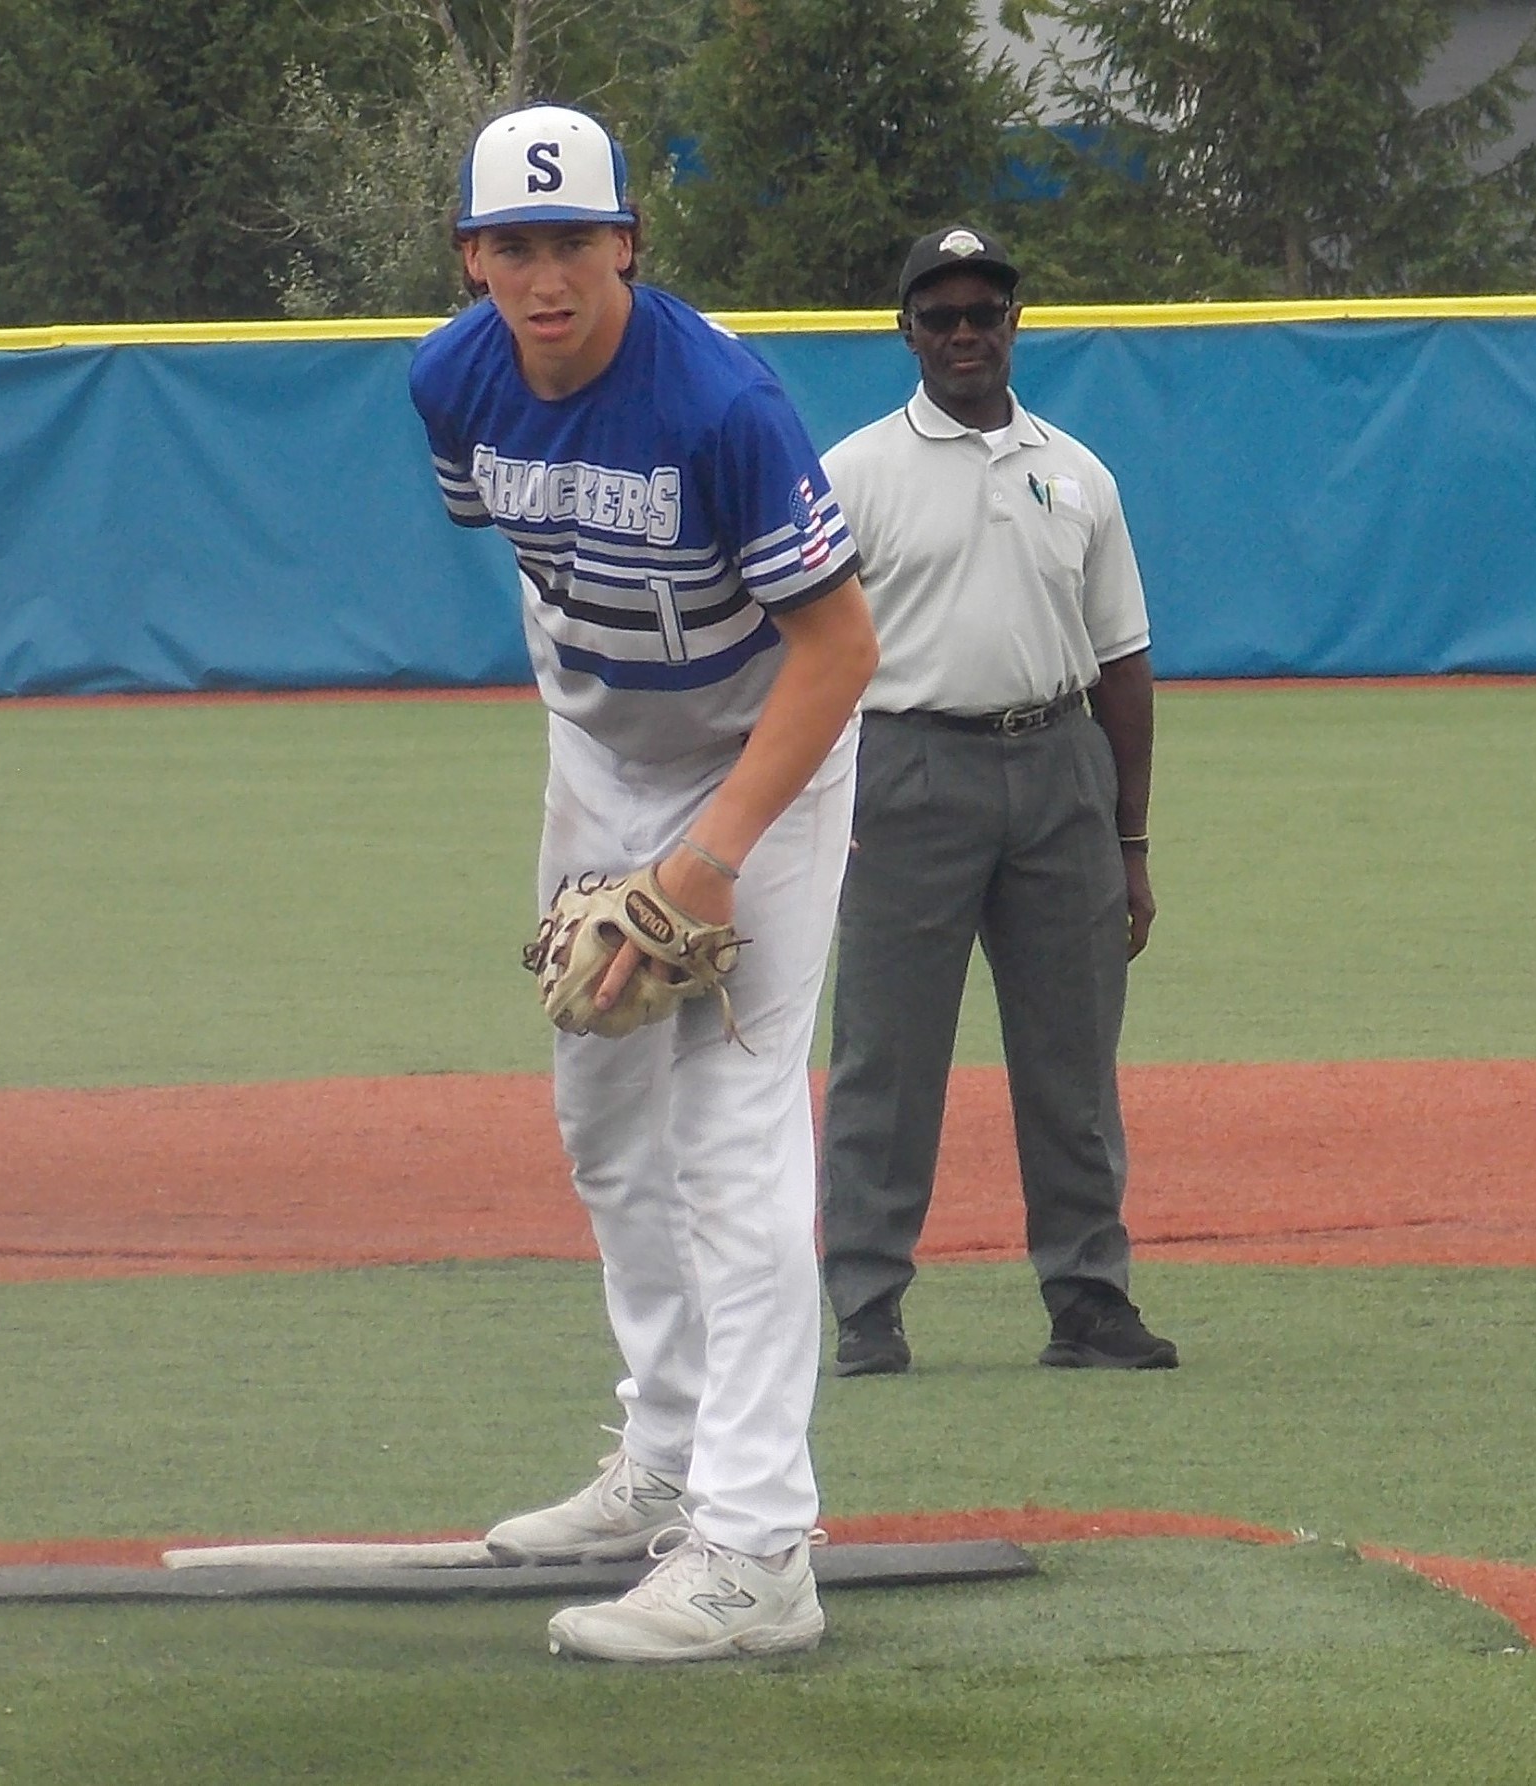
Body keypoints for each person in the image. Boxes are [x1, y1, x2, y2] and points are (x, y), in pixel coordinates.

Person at [406, 104, 879, 1662]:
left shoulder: (722, 402)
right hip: (604, 749)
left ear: (628, 242)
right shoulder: (452, 381)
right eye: (513, 245)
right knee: (603, 1116)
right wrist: (612, 817)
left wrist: (710, 856)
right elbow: (541, 580)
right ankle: (663, 1455)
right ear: (472, 256)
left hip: (770, 755)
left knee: (731, 1140)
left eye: (574, 241)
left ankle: (756, 1548)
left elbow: (838, 648)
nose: (546, 275)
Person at [817, 224, 1177, 1379]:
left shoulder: (1077, 471)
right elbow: (808, 656)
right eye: (941, 315)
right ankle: (866, 1304)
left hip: (1059, 765)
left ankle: (1087, 1296)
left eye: (985, 313)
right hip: (909, 769)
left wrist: (1129, 838)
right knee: (887, 1056)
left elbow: (1121, 660)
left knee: (1073, 1053)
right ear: (906, 330)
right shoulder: (853, 471)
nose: (965, 333)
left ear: (1014, 324)